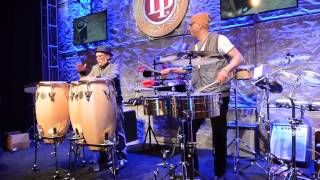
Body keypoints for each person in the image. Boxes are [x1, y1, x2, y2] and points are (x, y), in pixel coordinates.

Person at [161, 12, 245, 179]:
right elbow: (191, 68)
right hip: (199, 95)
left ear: (199, 25)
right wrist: (171, 69)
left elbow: (239, 57)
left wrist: (226, 69)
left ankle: (219, 174)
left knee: (218, 135)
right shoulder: (194, 48)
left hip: (217, 95)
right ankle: (193, 172)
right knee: (187, 132)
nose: (189, 27)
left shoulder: (218, 39)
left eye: (191, 24)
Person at [76, 45, 127, 170]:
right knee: (102, 131)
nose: (98, 58)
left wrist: (93, 78)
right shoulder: (94, 68)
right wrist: (82, 73)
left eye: (101, 56)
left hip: (115, 103)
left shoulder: (114, 67)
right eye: (97, 56)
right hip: (100, 105)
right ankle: (104, 157)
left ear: (108, 56)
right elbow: (86, 80)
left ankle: (122, 157)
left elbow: (111, 77)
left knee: (118, 130)